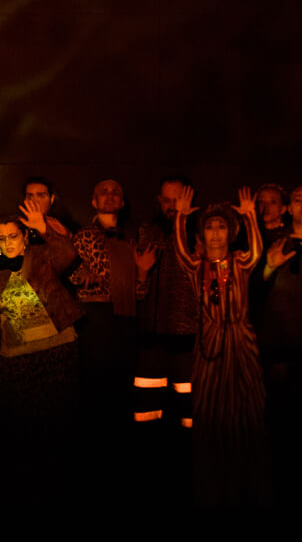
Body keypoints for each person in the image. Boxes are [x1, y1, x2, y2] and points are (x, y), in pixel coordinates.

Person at [171, 186, 267, 505]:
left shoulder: (240, 262)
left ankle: (249, 482)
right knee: (210, 407)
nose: (215, 233)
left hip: (241, 341)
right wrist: (180, 218)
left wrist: (250, 217)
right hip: (209, 343)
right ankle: (211, 485)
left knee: (247, 407)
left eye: (221, 227)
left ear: (231, 233)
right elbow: (181, 253)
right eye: (210, 227)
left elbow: (256, 253)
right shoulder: (197, 266)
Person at [0, 201, 82, 461]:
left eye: (13, 236)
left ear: (25, 236)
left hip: (56, 351)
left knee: (59, 420)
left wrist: (44, 229)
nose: (7, 243)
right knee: (22, 425)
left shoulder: (42, 256)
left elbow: (68, 255)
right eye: (2, 238)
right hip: (16, 358)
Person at [67, 179, 157, 437]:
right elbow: (70, 271)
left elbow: (139, 293)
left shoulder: (132, 237)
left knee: (123, 384)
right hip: (95, 317)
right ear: (93, 201)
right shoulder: (83, 235)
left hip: (125, 318)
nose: (109, 196)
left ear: (123, 202)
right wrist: (83, 275)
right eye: (103, 192)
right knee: (95, 383)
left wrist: (142, 272)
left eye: (115, 192)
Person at [260, 183, 302, 499]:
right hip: (280, 352)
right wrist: (269, 267)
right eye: (298, 199)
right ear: (289, 207)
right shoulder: (275, 241)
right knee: (281, 430)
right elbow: (255, 293)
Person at [134, 176, 198, 461]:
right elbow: (138, 291)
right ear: (159, 201)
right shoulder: (147, 231)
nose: (172, 205)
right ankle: (149, 461)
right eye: (167, 200)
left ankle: (190, 460)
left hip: (188, 338)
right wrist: (142, 272)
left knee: (189, 410)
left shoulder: (200, 233)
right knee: (147, 410)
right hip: (152, 338)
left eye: (178, 199)